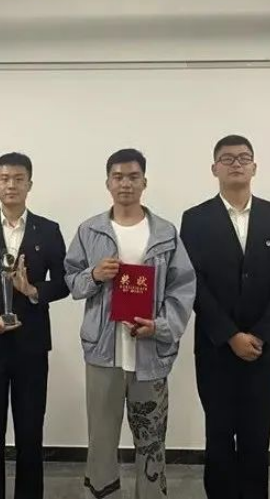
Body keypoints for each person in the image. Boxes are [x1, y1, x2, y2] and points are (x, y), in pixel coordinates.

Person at [64, 148, 196, 499]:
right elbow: (71, 280)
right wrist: (94, 274)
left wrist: (160, 326)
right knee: (101, 439)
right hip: (102, 352)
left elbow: (183, 288)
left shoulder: (165, 233)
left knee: (151, 439)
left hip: (150, 354)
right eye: (118, 177)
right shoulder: (90, 230)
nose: (126, 183)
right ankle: (102, 493)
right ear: (108, 182)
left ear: (144, 182)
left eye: (133, 176)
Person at [180, 135, 270, 499]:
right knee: (218, 433)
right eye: (228, 158)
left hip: (266, 348)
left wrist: (261, 334)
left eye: (243, 158)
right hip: (216, 346)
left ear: (254, 167)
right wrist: (231, 335)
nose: (236, 164)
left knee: (256, 435)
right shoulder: (195, 219)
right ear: (214, 168)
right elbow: (193, 281)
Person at [0, 152, 69, 499]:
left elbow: (64, 282)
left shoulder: (48, 230)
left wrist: (33, 290)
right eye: (4, 179)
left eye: (19, 179)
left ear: (29, 184)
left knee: (30, 435)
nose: (11, 185)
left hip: (31, 346)